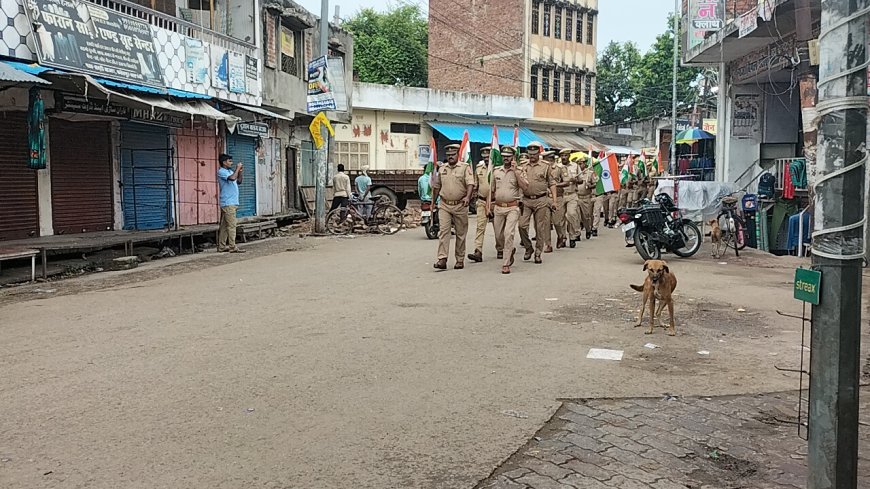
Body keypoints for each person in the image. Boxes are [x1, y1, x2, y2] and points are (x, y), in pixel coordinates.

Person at [431, 144, 475, 270]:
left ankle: (460, 259)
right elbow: (437, 186)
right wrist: (433, 202)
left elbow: (470, 184)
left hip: (460, 205)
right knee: (444, 231)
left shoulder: (464, 168)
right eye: (448, 155)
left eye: (453, 154)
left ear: (458, 155)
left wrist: (468, 197)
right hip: (444, 204)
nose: (450, 157)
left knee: (461, 234)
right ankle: (442, 259)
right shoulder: (442, 168)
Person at [518, 141, 557, 264]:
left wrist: (554, 201)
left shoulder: (545, 166)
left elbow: (552, 184)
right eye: (530, 154)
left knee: (540, 227)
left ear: (539, 153)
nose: (532, 156)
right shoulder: (523, 166)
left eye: (534, 154)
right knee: (521, 225)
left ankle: (538, 252)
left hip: (541, 199)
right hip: (526, 200)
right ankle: (528, 248)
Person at [487, 146, 522, 274]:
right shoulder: (496, 171)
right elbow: (491, 190)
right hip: (498, 207)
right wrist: (488, 206)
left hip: (512, 207)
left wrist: (516, 171)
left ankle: (506, 263)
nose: (506, 158)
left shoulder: (518, 170)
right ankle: (509, 249)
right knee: (498, 235)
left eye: (508, 156)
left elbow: (525, 186)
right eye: (504, 156)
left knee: (509, 234)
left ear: (513, 157)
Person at [469, 147, 496, 263]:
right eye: (484, 157)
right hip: (482, 201)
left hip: (496, 202)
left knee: (498, 229)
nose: (486, 159)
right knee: (480, 227)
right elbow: (476, 184)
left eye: (488, 157)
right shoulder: (479, 168)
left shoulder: (498, 168)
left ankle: (500, 248)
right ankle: (478, 251)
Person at [217, 153, 245, 253]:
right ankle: (232, 246)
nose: (231, 163)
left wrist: (240, 172)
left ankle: (221, 246)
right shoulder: (222, 171)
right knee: (232, 225)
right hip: (228, 202)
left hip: (231, 202)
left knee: (224, 226)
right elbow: (232, 178)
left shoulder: (229, 171)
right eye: (229, 161)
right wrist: (237, 169)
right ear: (224, 162)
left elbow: (238, 181)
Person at [576, 154, 598, 240]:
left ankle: (588, 229)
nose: (580, 165)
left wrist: (590, 186)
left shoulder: (590, 173)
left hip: (586, 197)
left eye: (581, 163)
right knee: (576, 216)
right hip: (577, 197)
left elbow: (596, 183)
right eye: (579, 163)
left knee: (585, 217)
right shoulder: (576, 174)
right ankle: (577, 233)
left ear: (585, 164)